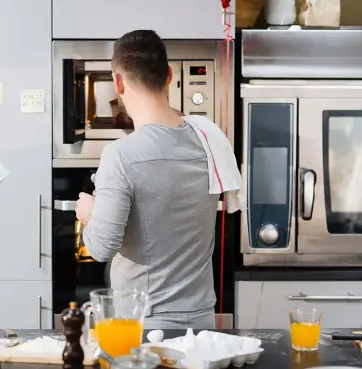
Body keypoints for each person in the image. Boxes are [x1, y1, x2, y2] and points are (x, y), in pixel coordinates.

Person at [75, 30, 243, 329]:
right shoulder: (208, 140)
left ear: (118, 82)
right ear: (169, 75)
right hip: (202, 319)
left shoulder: (121, 155)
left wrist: (88, 213)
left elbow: (101, 248)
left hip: (145, 324)